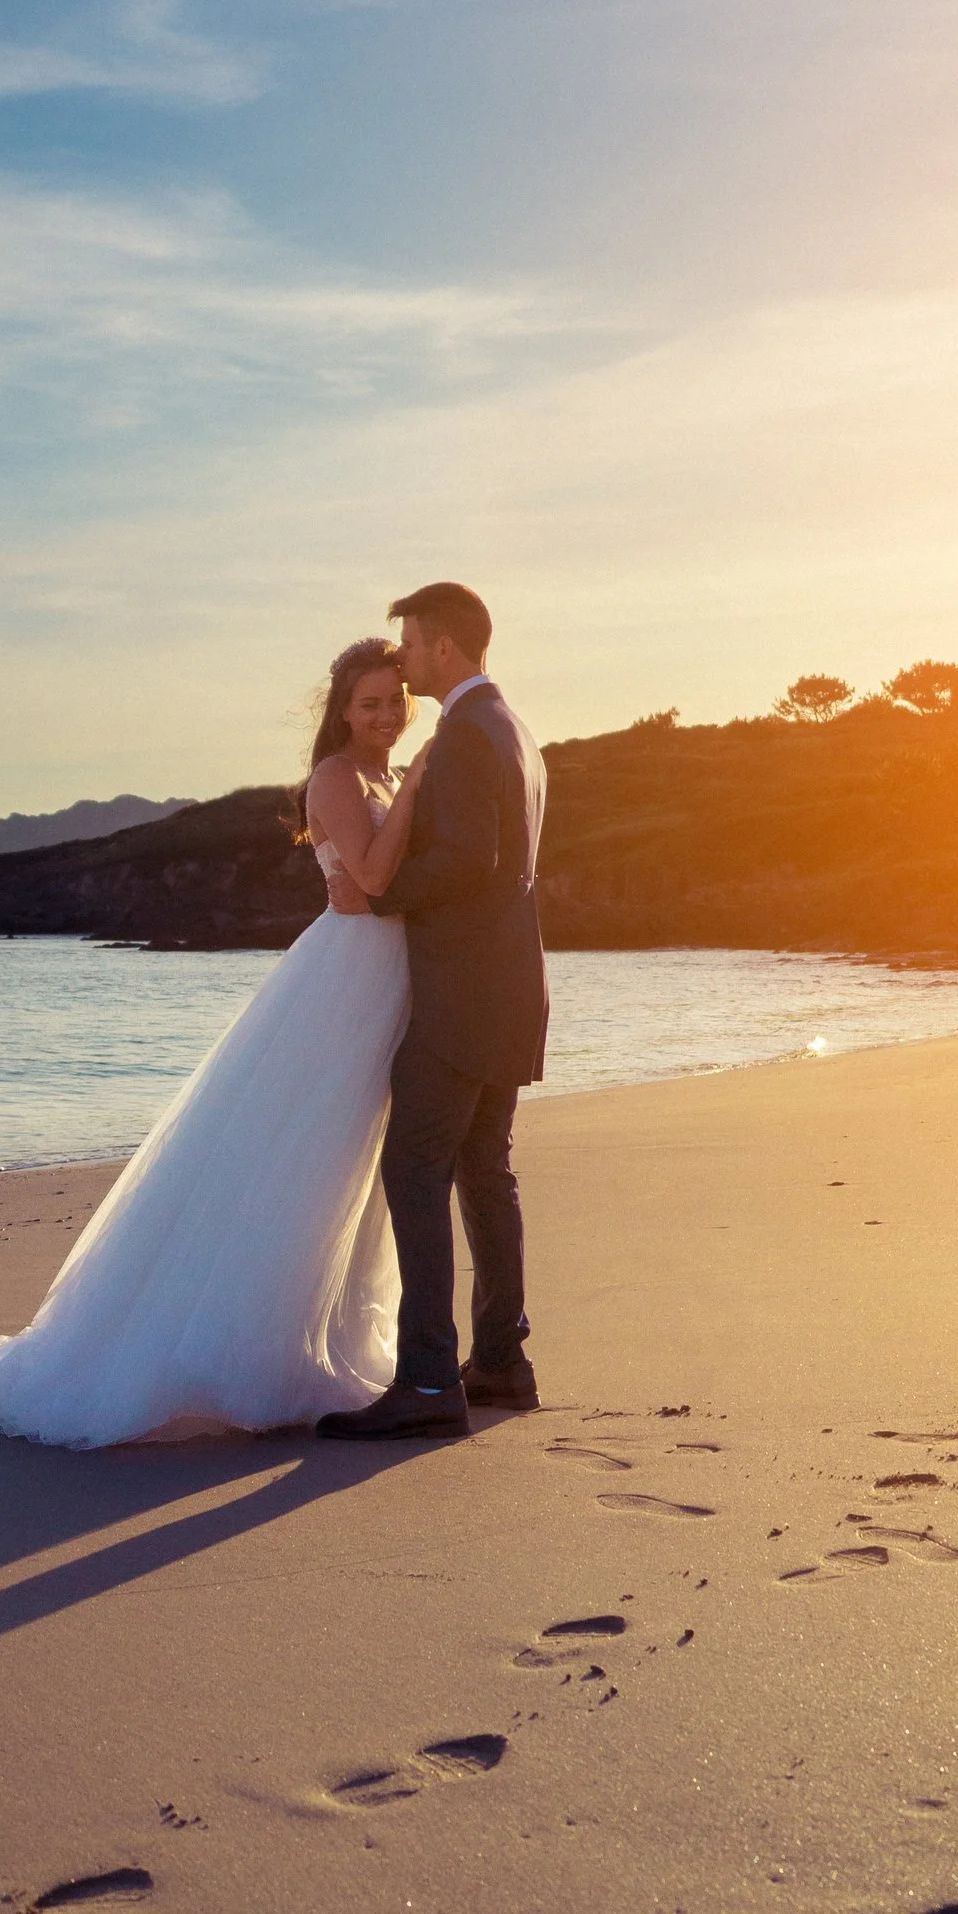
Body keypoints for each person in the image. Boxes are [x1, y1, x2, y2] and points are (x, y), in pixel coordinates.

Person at [0, 638, 427, 1445]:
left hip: (387, 979)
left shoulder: (385, 775)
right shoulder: (339, 777)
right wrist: (422, 786)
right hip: (346, 979)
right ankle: (250, 1354)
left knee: (353, 1170)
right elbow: (374, 883)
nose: (386, 716)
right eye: (370, 703)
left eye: (396, 700)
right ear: (342, 711)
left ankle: (335, 1339)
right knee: (306, 1162)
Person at [316, 579, 548, 1441]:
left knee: (416, 1171)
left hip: (458, 996)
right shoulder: (514, 728)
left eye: (411, 644)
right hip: (512, 990)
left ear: (443, 647)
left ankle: (424, 1382)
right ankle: (499, 1363)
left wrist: (376, 895)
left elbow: (469, 862)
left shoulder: (461, 736)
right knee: (485, 1171)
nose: (405, 659)